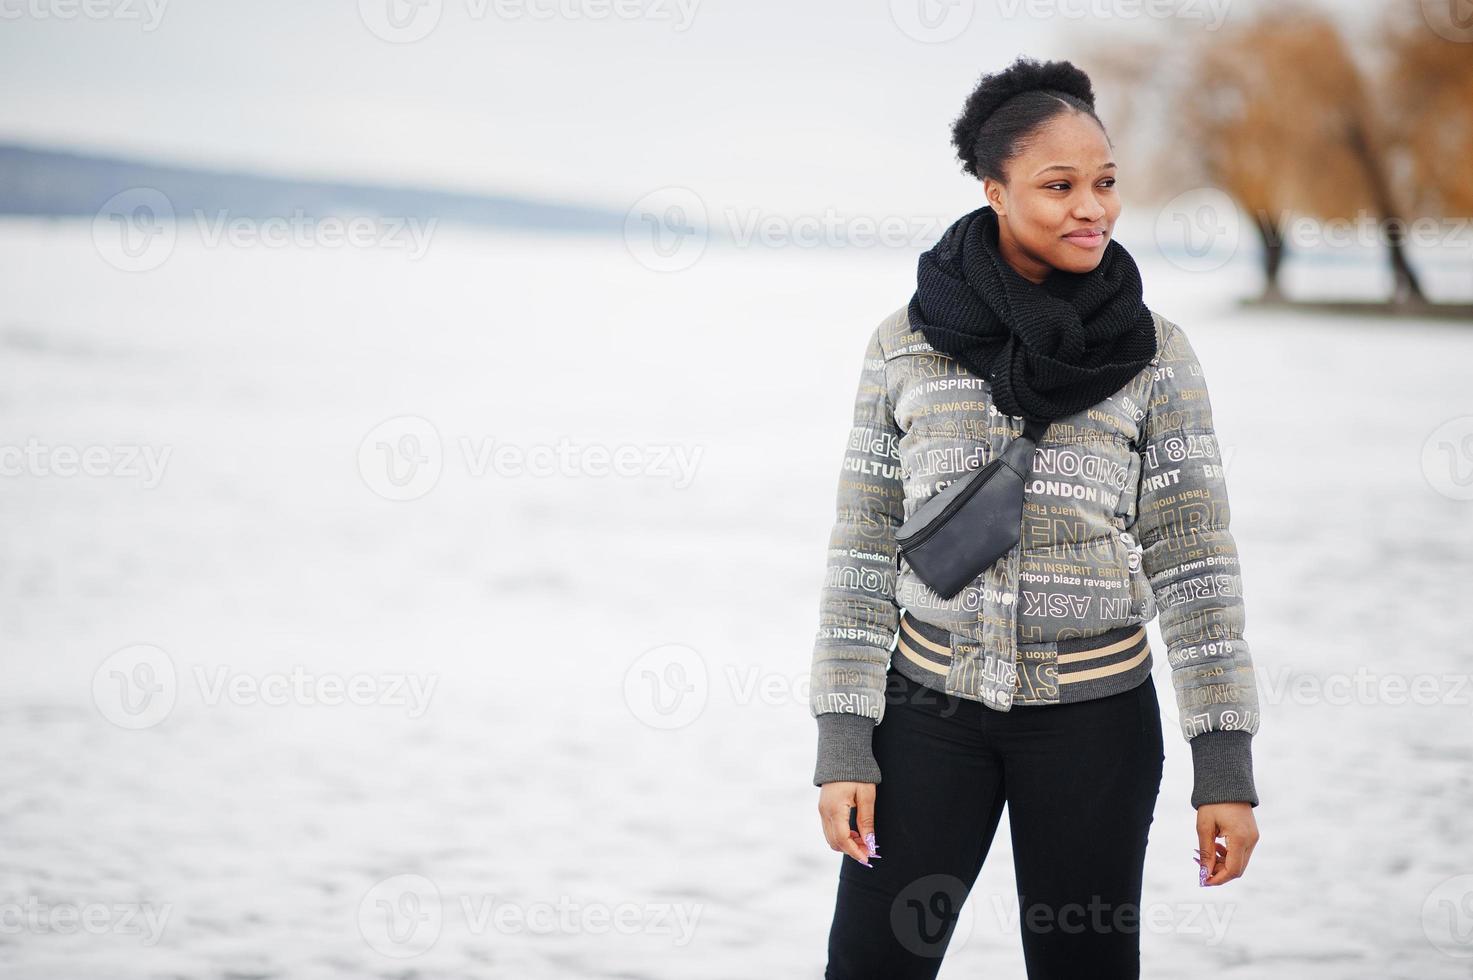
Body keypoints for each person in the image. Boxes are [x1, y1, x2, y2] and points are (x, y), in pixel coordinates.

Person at [808, 57, 1261, 979]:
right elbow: (861, 548)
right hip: (925, 717)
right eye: (1058, 186)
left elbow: (1193, 560)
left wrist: (1222, 761)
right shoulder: (905, 342)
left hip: (1094, 728)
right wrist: (843, 741)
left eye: (1104, 183)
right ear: (993, 190)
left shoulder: (1153, 353)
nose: (1091, 207)